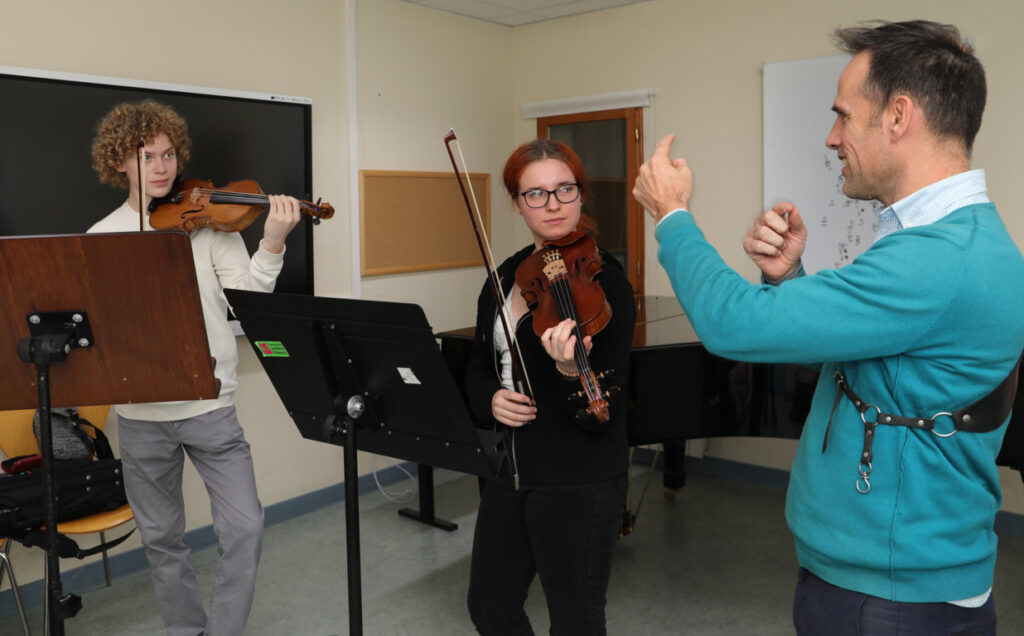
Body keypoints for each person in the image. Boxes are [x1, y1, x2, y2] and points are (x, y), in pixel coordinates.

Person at [633, 20, 1024, 636]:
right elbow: (871, 366)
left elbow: (732, 325)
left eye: (844, 115)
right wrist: (790, 279)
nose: (831, 136)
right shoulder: (951, 242)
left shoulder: (940, 259)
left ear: (898, 116)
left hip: (889, 599)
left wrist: (672, 216)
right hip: (890, 580)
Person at [88, 99, 302, 636]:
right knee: (162, 541)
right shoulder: (99, 239)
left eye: (168, 155)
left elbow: (248, 298)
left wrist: (272, 240)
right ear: (120, 162)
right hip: (140, 415)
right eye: (146, 156)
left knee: (246, 527)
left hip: (210, 405)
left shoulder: (210, 227)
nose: (161, 168)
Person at [464, 139, 636, 635]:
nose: (553, 203)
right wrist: (492, 399)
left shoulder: (607, 285)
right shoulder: (506, 277)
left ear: (581, 196)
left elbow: (604, 410)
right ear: (518, 204)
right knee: (490, 608)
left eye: (564, 189)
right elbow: (478, 364)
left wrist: (568, 372)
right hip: (510, 471)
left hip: (578, 479)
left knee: (575, 621)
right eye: (536, 194)